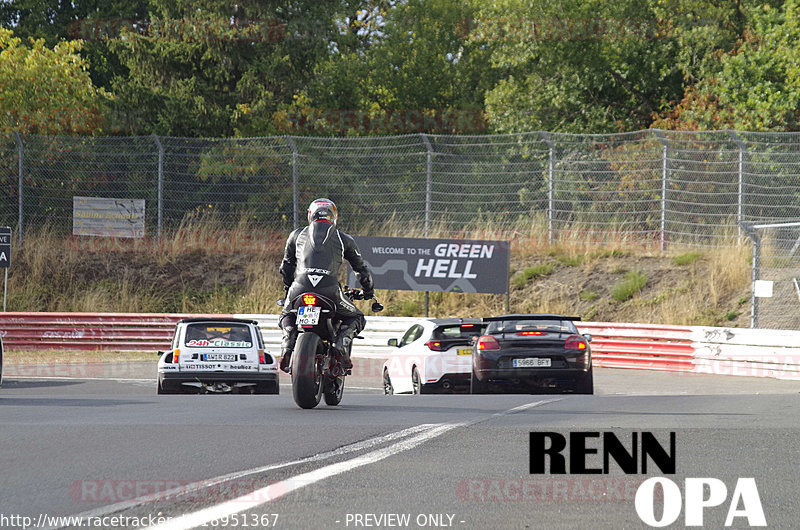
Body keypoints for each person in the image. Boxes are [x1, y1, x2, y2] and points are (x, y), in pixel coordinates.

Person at [278, 198, 374, 373]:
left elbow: (286, 267)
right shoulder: (344, 238)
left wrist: (288, 287)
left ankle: (288, 341)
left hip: (299, 289)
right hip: (330, 291)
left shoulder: (296, 235)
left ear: (310, 216)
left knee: (286, 313)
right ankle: (340, 344)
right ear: (334, 217)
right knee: (357, 317)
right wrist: (368, 291)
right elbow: (361, 271)